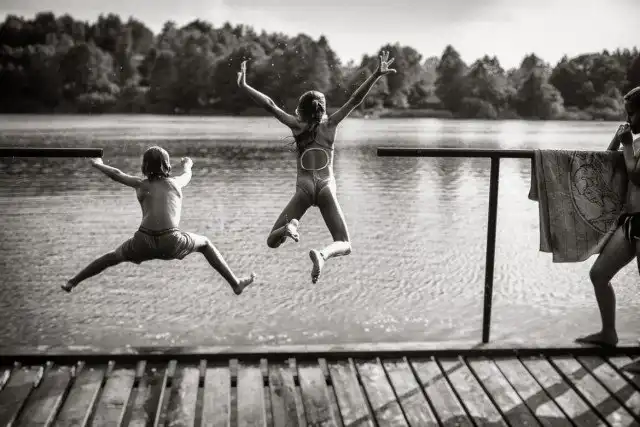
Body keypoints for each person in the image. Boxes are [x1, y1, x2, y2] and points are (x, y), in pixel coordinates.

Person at [237, 51, 396, 283]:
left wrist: (244, 85)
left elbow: (270, 105)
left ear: (301, 110)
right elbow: (355, 100)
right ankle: (323, 255)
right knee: (344, 243)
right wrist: (376, 75)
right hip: (325, 187)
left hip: (304, 188)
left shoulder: (296, 125)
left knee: (272, 241)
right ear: (322, 108)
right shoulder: (331, 124)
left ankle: (290, 227)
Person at [62, 146, 256, 295]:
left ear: (144, 167)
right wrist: (188, 165)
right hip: (171, 240)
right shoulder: (175, 183)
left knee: (111, 257)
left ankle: (72, 282)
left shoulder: (140, 184)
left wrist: (97, 163)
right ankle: (235, 283)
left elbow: (116, 174)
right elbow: (187, 175)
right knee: (205, 244)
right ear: (168, 166)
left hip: (143, 240)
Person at [576, 86, 640, 347]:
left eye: (632, 113)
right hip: (630, 222)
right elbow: (608, 164)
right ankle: (609, 334)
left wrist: (627, 145)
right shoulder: (636, 142)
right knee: (599, 274)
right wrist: (617, 141)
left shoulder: (634, 144)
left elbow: (637, 175)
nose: (628, 119)